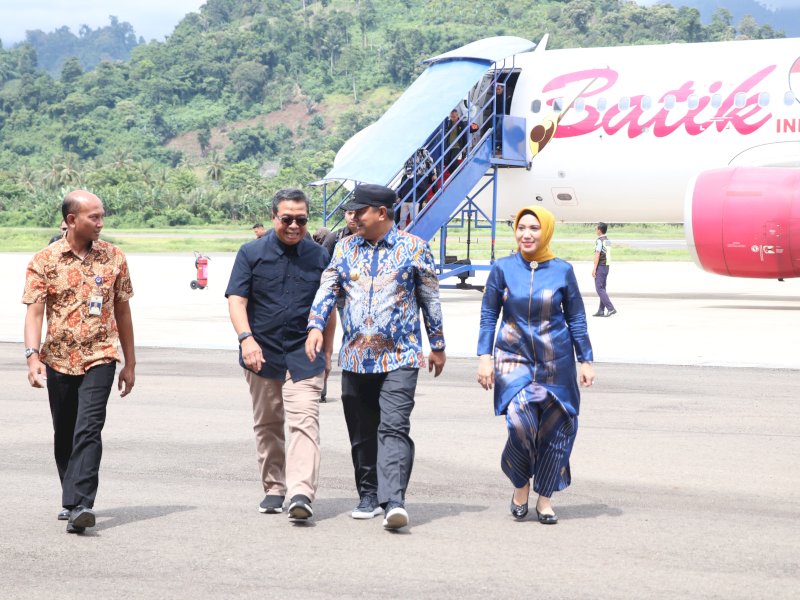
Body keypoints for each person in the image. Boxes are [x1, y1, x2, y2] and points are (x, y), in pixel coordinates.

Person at [305, 183, 446, 531]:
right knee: (361, 431)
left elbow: (430, 298)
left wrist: (438, 345)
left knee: (394, 427)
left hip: (401, 356)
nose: (351, 217)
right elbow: (328, 289)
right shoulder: (345, 248)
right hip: (354, 358)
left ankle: (394, 501)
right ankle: (368, 495)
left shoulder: (414, 248)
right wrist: (314, 326)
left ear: (382, 213)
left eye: (358, 211)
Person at [22, 190, 136, 534]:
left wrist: (130, 362)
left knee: (89, 426)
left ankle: (81, 503)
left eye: (102, 216)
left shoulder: (114, 257)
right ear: (72, 220)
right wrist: (32, 356)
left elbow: (123, 310)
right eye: (94, 218)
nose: (101, 223)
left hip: (101, 355)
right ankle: (70, 498)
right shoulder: (44, 260)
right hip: (58, 357)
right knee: (65, 431)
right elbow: (35, 312)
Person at [477, 205, 594, 525]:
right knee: (519, 426)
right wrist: (484, 357)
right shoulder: (502, 269)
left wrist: (585, 359)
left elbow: (576, 318)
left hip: (557, 364)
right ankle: (520, 486)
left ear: (546, 231)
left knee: (557, 430)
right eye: (521, 228)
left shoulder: (562, 270)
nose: (526, 234)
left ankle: (544, 499)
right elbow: (489, 314)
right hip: (512, 360)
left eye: (534, 228)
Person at [226, 188, 335, 523]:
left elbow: (327, 308)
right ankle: (275, 487)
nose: (293, 226)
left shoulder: (318, 256)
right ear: (274, 217)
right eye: (287, 219)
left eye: (301, 220)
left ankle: (301, 492)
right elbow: (236, 300)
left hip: (305, 353)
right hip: (263, 352)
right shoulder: (251, 253)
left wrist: (328, 353)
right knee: (269, 423)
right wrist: (246, 339)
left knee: (305, 422)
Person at [592, 222, 617, 317]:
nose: (595, 230)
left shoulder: (599, 241)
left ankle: (610, 308)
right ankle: (601, 310)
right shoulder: (607, 240)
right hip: (607, 266)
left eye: (596, 228)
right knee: (603, 288)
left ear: (599, 230)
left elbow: (597, 255)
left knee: (599, 288)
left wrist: (594, 269)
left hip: (601, 267)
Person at [443, 109, 467, 177]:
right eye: (451, 117)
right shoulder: (449, 123)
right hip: (449, 146)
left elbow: (465, 136)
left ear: (457, 116)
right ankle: (452, 175)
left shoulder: (461, 124)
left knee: (453, 160)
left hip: (457, 146)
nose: (452, 118)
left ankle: (456, 175)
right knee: (447, 162)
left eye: (454, 116)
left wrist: (465, 147)